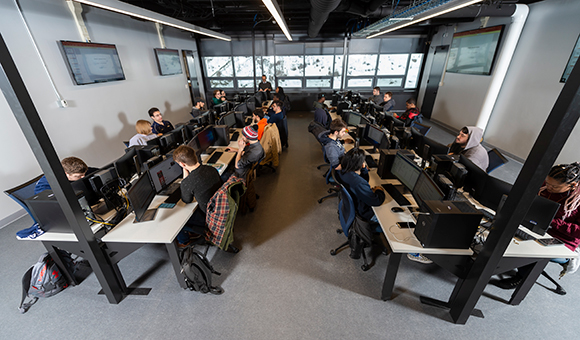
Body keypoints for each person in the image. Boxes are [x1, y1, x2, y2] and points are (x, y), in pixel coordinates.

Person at [492, 163, 580, 291]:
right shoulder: (546, 186)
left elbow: (578, 232)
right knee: (505, 228)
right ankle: (494, 263)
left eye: (554, 186)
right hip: (536, 224)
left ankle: (521, 277)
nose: (548, 187)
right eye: (547, 182)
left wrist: (551, 222)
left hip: (562, 241)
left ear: (572, 185)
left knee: (534, 248)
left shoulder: (576, 201)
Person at [172, 145, 223, 245]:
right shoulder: (211, 169)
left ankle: (184, 242)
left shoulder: (188, 182)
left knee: (177, 220)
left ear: (182, 164)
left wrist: (185, 179)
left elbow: (187, 200)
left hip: (209, 217)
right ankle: (194, 234)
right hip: (220, 209)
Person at [336, 148, 385, 222]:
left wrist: (363, 169)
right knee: (388, 216)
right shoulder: (359, 183)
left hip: (353, 207)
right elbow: (376, 201)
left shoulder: (343, 171)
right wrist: (379, 190)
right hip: (363, 213)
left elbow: (364, 180)